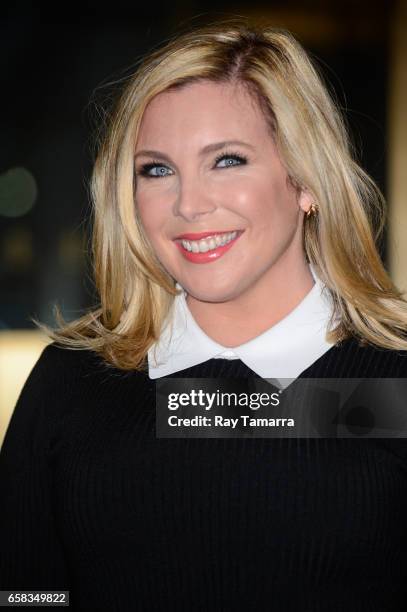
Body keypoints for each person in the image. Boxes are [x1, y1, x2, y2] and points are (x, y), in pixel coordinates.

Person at [1, 18, 407, 611]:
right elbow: (23, 593)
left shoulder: (392, 382)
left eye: (228, 160)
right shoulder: (70, 383)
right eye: (157, 170)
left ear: (306, 181)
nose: (189, 205)